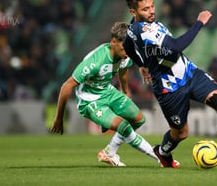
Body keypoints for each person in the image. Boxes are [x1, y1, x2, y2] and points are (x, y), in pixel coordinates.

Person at [123, 0, 217, 170]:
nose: (152, 11)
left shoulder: (133, 26)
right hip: (168, 88)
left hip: (189, 72)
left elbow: (127, 44)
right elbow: (176, 46)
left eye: (152, 6)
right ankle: (162, 152)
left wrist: (141, 64)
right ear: (133, 11)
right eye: (146, 9)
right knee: (181, 133)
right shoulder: (143, 30)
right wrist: (199, 23)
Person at [51, 22, 160, 166]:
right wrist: (59, 118)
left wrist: (126, 91)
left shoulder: (125, 53)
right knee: (124, 127)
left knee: (139, 119)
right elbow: (66, 86)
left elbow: (123, 69)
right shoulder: (95, 62)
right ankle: (160, 157)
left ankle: (109, 152)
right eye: (124, 46)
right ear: (113, 42)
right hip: (90, 100)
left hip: (108, 91)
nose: (128, 50)